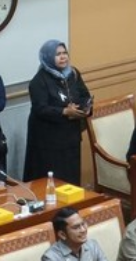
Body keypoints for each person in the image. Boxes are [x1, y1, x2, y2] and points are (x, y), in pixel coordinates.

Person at [24, 40, 91, 184]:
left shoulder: (73, 74)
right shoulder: (38, 81)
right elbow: (40, 109)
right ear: (48, 57)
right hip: (49, 142)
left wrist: (84, 108)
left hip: (71, 138)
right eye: (58, 54)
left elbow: (84, 95)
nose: (63, 57)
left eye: (64, 53)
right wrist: (64, 111)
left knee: (71, 180)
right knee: (54, 182)